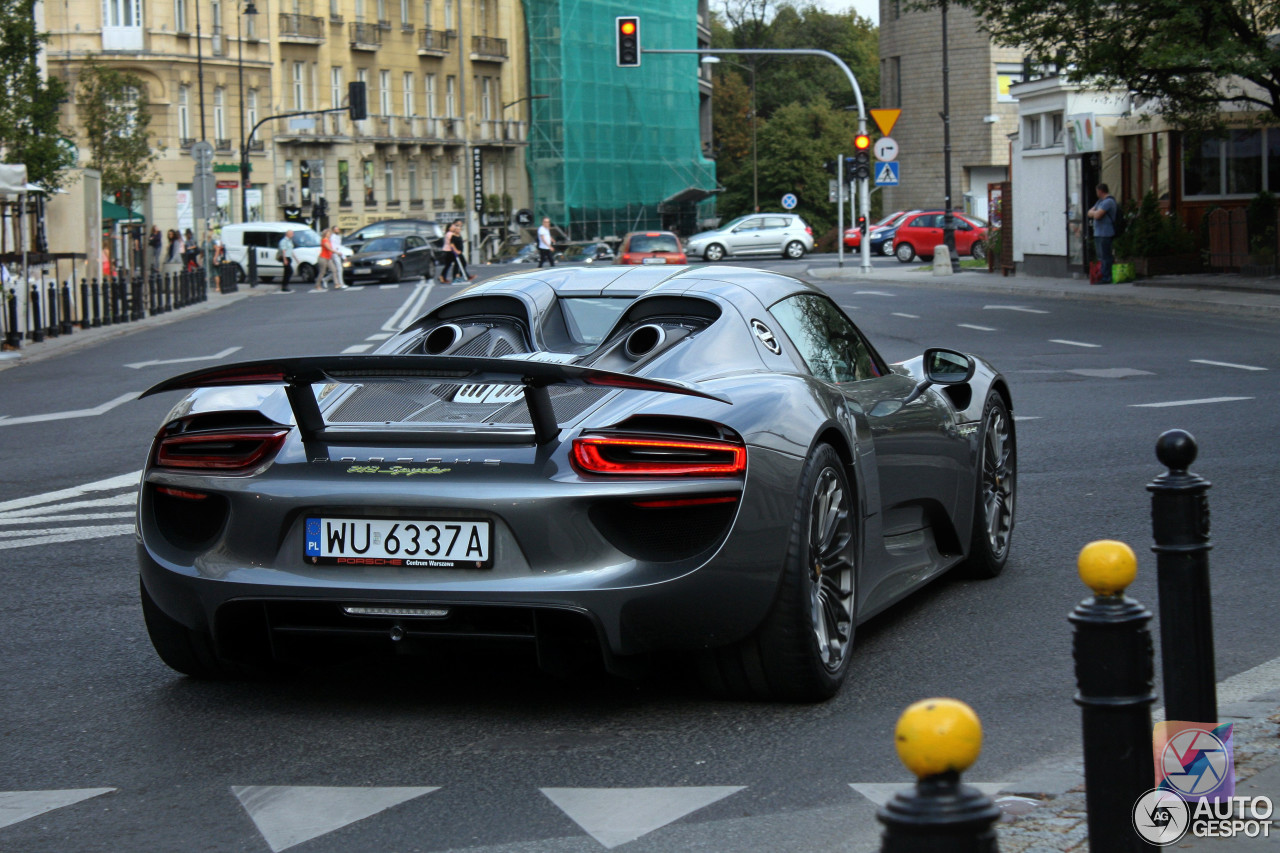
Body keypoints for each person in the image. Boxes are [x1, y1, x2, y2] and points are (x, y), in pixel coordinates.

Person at [1087, 183, 1119, 284]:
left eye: (1097, 191)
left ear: (1100, 191)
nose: (1096, 193)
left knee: (1106, 256)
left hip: (1106, 233)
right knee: (1101, 255)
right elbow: (1089, 212)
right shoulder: (1100, 202)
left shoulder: (1108, 202)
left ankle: (1106, 277)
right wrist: (1094, 213)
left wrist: (1094, 213)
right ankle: (1103, 275)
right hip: (1098, 232)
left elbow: (1097, 215)